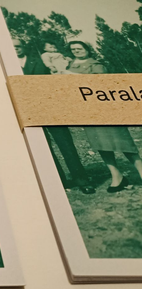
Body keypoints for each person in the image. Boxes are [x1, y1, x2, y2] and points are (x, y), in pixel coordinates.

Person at [12, 38, 95, 194]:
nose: (15, 49)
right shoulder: (6, 66)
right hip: (28, 112)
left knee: (66, 145)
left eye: (17, 46)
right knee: (43, 147)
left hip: (50, 108)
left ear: (23, 47)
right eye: (12, 47)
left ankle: (82, 180)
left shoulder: (42, 60)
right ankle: (59, 182)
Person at [66, 40, 142, 192]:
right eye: (73, 49)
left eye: (79, 48)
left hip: (105, 109)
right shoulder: (68, 66)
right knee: (100, 144)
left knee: (123, 142)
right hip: (87, 111)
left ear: (87, 49)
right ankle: (117, 176)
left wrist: (71, 75)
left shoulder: (96, 64)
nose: (76, 51)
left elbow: (101, 82)